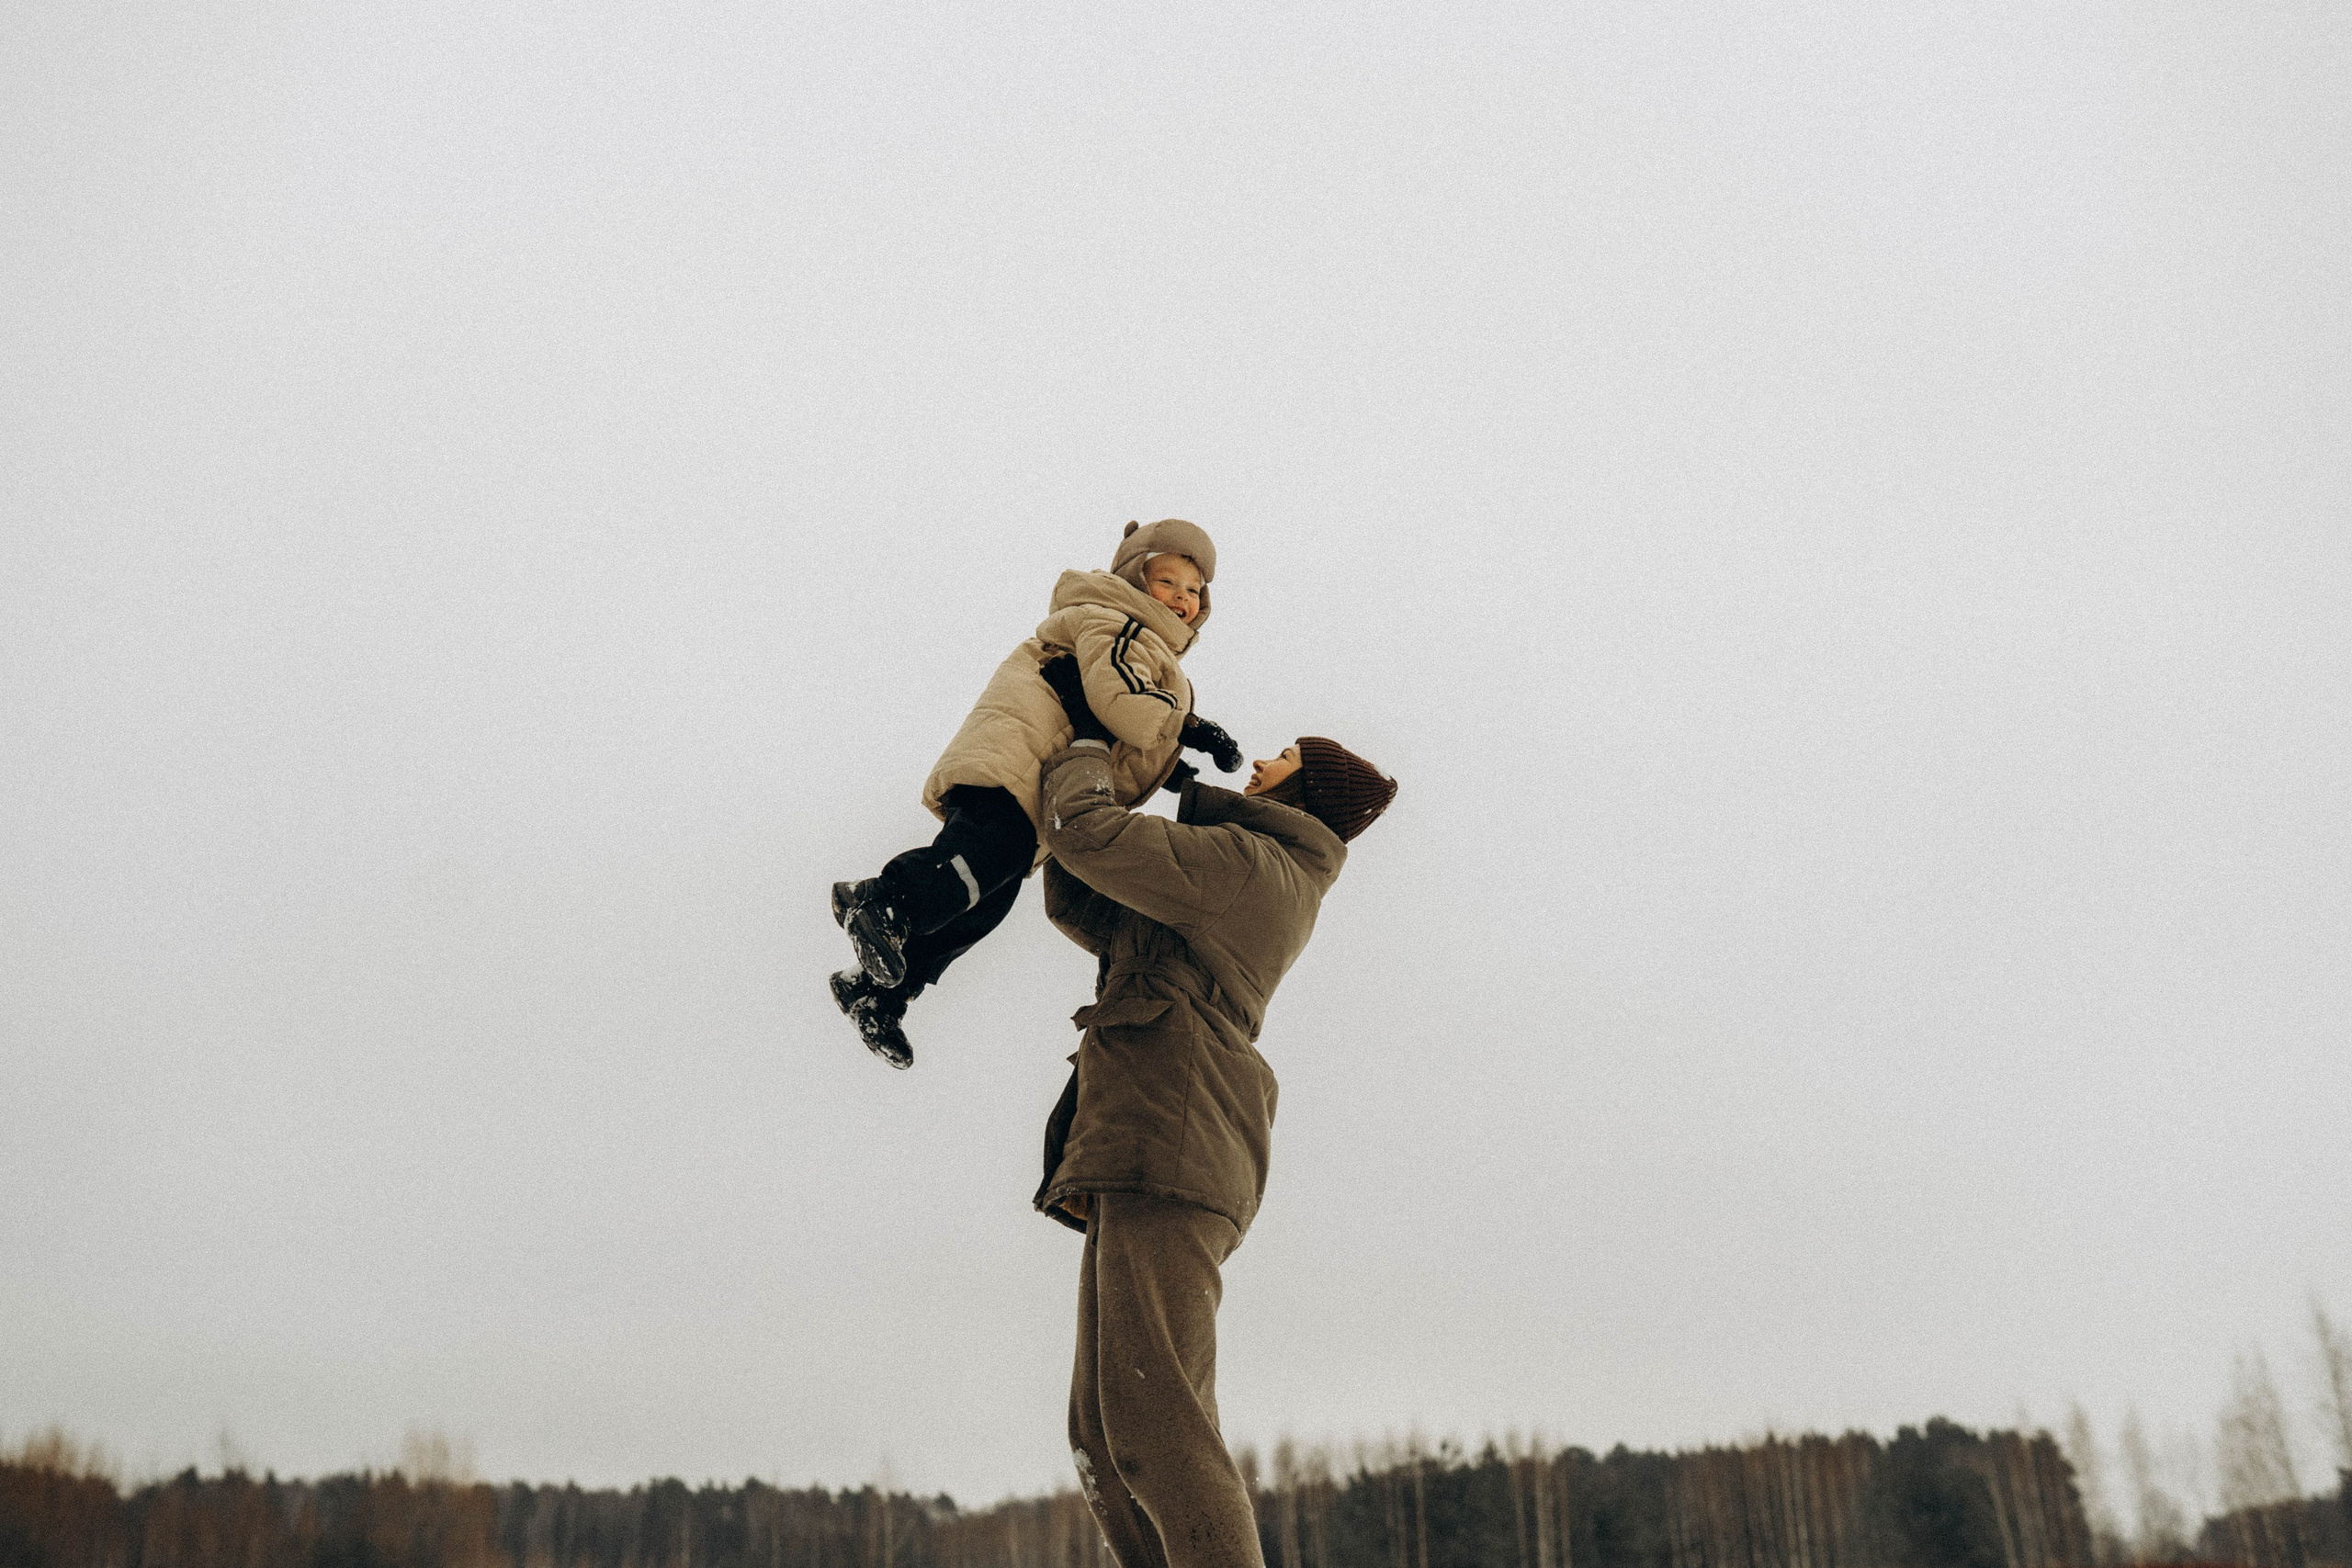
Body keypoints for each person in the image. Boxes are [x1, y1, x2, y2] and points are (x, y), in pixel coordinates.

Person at [1031, 653, 1396, 1568]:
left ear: (1302, 794)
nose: (1261, 759)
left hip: (1177, 1140)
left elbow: (1085, 833)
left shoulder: (1251, 867)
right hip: (1139, 1136)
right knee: (1104, 1441)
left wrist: (1082, 740)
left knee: (1159, 1428)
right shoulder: (1241, 867)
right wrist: (1103, 772)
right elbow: (1086, 891)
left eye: (1282, 757)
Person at [830, 520, 1244, 1068]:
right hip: (1018, 764)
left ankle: (878, 991)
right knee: (980, 863)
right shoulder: (1121, 622)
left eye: (1194, 591)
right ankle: (885, 900)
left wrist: (1178, 770)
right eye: (1168, 581)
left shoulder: (1139, 639)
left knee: (987, 901)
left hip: (1030, 776)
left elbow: (1116, 732)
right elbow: (1126, 708)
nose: (1182, 599)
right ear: (1134, 580)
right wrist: (1186, 723)